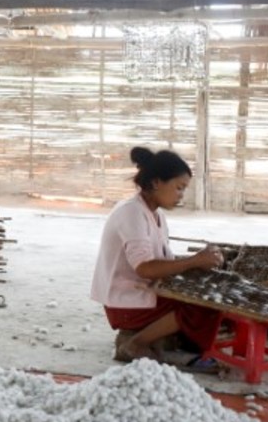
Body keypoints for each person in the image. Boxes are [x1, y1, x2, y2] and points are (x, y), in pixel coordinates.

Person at [90, 146, 223, 371]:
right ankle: (136, 344)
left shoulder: (155, 213)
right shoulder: (131, 212)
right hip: (125, 302)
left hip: (143, 293)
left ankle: (171, 343)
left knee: (211, 297)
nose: (181, 195)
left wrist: (201, 260)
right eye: (179, 187)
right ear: (156, 183)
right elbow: (145, 268)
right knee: (202, 306)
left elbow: (163, 260)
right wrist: (194, 261)